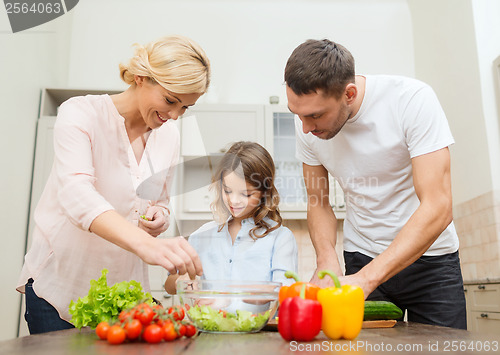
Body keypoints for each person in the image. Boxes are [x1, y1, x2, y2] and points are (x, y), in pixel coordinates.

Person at [17, 35, 210, 334]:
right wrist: (146, 245)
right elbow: (77, 195)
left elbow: (159, 200)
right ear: (140, 77)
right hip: (61, 286)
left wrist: (160, 216)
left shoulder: (168, 136)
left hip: (123, 294)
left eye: (185, 107)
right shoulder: (81, 113)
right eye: (171, 100)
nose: (174, 115)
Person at [285, 39, 466, 329]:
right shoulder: (306, 125)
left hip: (431, 261)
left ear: (349, 94)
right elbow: (318, 201)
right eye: (298, 115)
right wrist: (326, 258)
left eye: (315, 115)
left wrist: (368, 278)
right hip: (360, 255)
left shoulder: (411, 100)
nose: (305, 127)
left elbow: (439, 206)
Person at [164, 141, 298, 294]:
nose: (234, 201)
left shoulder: (280, 238)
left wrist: (265, 293)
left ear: (264, 192)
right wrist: (182, 280)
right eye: (227, 191)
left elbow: (286, 292)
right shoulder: (203, 235)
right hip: (210, 318)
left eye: (246, 194)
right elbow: (169, 286)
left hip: (261, 319)